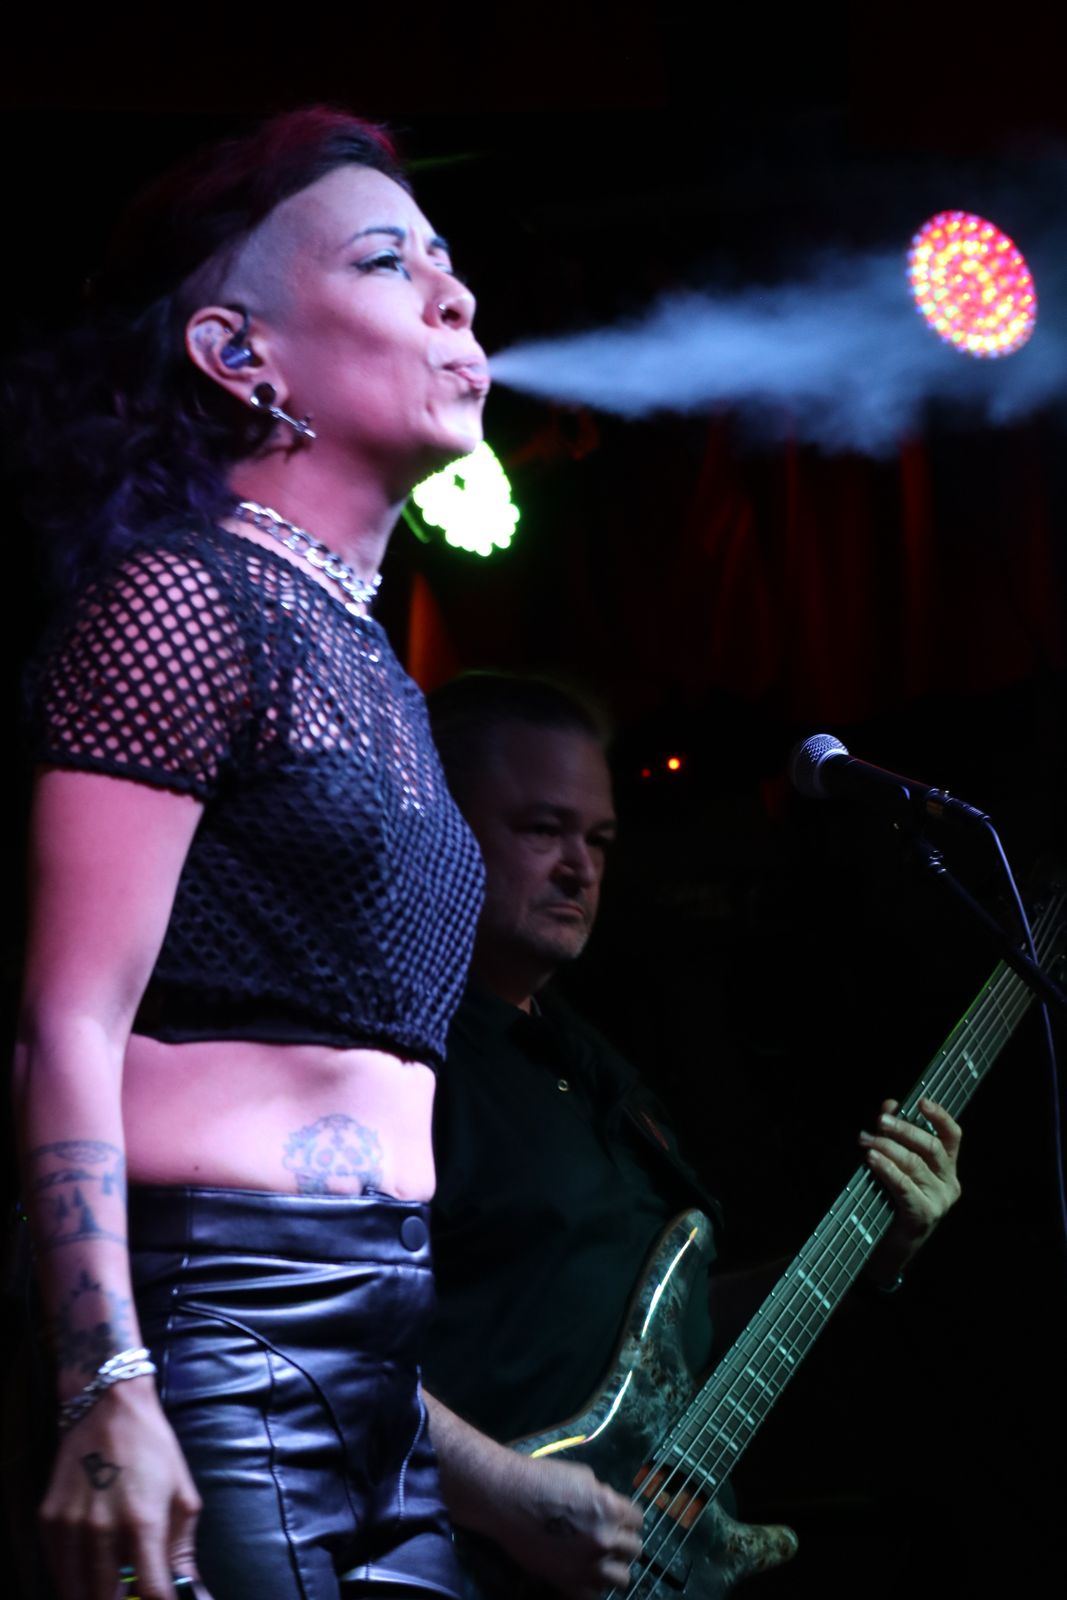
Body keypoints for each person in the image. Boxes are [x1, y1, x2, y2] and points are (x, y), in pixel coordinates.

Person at [11, 107, 489, 1600]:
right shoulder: (179, 602)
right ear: (237, 353)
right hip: (213, 1333)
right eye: (386, 261)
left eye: (446, 259)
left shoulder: (372, 664)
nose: (454, 295)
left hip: (384, 1360)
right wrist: (103, 1386)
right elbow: (62, 1023)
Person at [418, 672, 963, 1600]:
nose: (580, 867)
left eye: (598, 840)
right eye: (542, 829)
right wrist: (505, 1495)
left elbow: (676, 1327)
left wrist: (875, 1248)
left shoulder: (600, 1070)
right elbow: (315, 1345)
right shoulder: (396, 1062)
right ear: (437, 823)